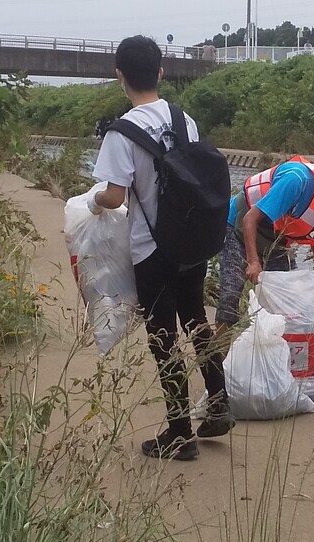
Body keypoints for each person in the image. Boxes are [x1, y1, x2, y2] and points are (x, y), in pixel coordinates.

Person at [91, 35, 231, 461]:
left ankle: (179, 434)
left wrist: (93, 200)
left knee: (162, 336)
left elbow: (115, 197)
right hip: (190, 241)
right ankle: (219, 399)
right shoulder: (182, 118)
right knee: (194, 318)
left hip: (151, 248)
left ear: (120, 76)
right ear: (161, 72)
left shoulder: (121, 132)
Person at [212, 157, 314, 336]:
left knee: (287, 302)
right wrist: (253, 261)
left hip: (276, 241)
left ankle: (277, 354)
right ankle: (219, 359)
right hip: (240, 228)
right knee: (230, 298)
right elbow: (250, 219)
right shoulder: (297, 182)